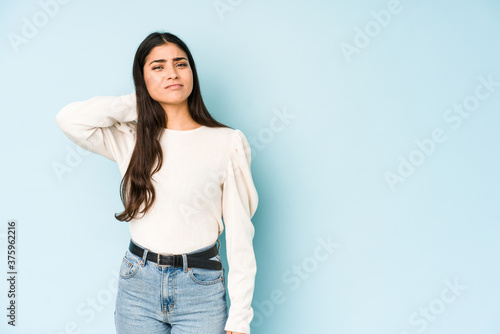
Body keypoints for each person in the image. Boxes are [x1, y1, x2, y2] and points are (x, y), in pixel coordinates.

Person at [55, 31, 259, 334]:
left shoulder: (226, 142)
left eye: (181, 64)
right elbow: (69, 119)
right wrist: (139, 101)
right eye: (158, 67)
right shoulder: (130, 138)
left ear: (192, 73)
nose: (172, 74)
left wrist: (240, 318)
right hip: (137, 283)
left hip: (200, 287)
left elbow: (241, 235)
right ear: (142, 79)